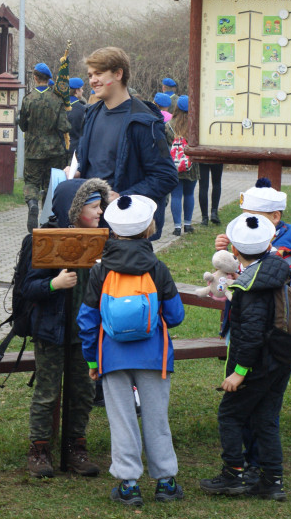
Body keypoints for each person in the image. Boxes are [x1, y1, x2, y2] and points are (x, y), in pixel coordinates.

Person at [77, 195, 185, 507]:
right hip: (153, 357)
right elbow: (176, 316)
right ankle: (165, 481)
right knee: (156, 418)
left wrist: (92, 359)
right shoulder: (158, 268)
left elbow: (87, 320)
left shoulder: (101, 271)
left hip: (112, 357)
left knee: (121, 420)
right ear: (148, 229)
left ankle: (128, 484)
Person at [199, 214, 291, 501]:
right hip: (280, 360)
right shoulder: (277, 269)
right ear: (268, 244)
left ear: (236, 252)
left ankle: (233, 474)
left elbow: (251, 335)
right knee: (266, 419)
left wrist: (240, 371)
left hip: (257, 364)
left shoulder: (249, 286)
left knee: (230, 415)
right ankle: (272, 480)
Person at [22, 177, 110, 479]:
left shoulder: (101, 241)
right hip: (52, 331)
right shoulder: (48, 240)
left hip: (84, 335)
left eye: (101, 206)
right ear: (74, 211)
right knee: (47, 393)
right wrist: (53, 284)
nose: (100, 212)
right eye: (94, 207)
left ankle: (75, 447)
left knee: (83, 391)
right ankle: (40, 449)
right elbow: (28, 287)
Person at [74, 47, 178, 234]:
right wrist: (75, 171)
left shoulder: (145, 122)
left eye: (99, 73)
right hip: (92, 223)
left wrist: (123, 196)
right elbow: (88, 162)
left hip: (125, 229)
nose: (92, 80)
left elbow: (166, 177)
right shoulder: (90, 113)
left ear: (118, 74)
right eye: (90, 75)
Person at [18, 63, 71, 231]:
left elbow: (23, 125)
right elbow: (64, 126)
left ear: (35, 77)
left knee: (32, 182)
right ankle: (47, 218)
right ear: (49, 79)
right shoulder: (57, 99)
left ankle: (32, 203)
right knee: (51, 185)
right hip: (55, 151)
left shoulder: (28, 99)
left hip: (33, 150)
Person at [167, 95, 198, 236]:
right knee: (189, 193)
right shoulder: (195, 125)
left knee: (176, 195)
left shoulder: (168, 125)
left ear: (177, 107)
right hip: (191, 164)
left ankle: (177, 227)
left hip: (173, 165)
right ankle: (188, 224)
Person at [65, 77, 88, 160]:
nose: (82, 91)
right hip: (75, 150)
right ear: (76, 91)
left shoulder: (59, 105)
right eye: (81, 89)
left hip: (59, 150)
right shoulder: (81, 109)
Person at [199, 161, 224, 226]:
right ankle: (214, 212)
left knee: (203, 187)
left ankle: (204, 218)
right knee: (216, 184)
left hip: (202, 157)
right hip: (217, 157)